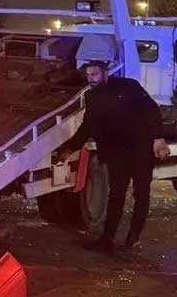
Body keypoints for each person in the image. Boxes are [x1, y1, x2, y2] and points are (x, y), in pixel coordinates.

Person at [65, 60, 170, 252]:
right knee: (116, 194)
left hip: (141, 149)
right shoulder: (91, 97)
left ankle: (133, 237)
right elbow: (87, 125)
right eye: (88, 75)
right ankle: (108, 238)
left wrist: (158, 138)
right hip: (116, 152)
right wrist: (69, 148)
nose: (91, 79)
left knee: (141, 193)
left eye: (95, 74)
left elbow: (151, 110)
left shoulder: (128, 86)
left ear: (105, 74)